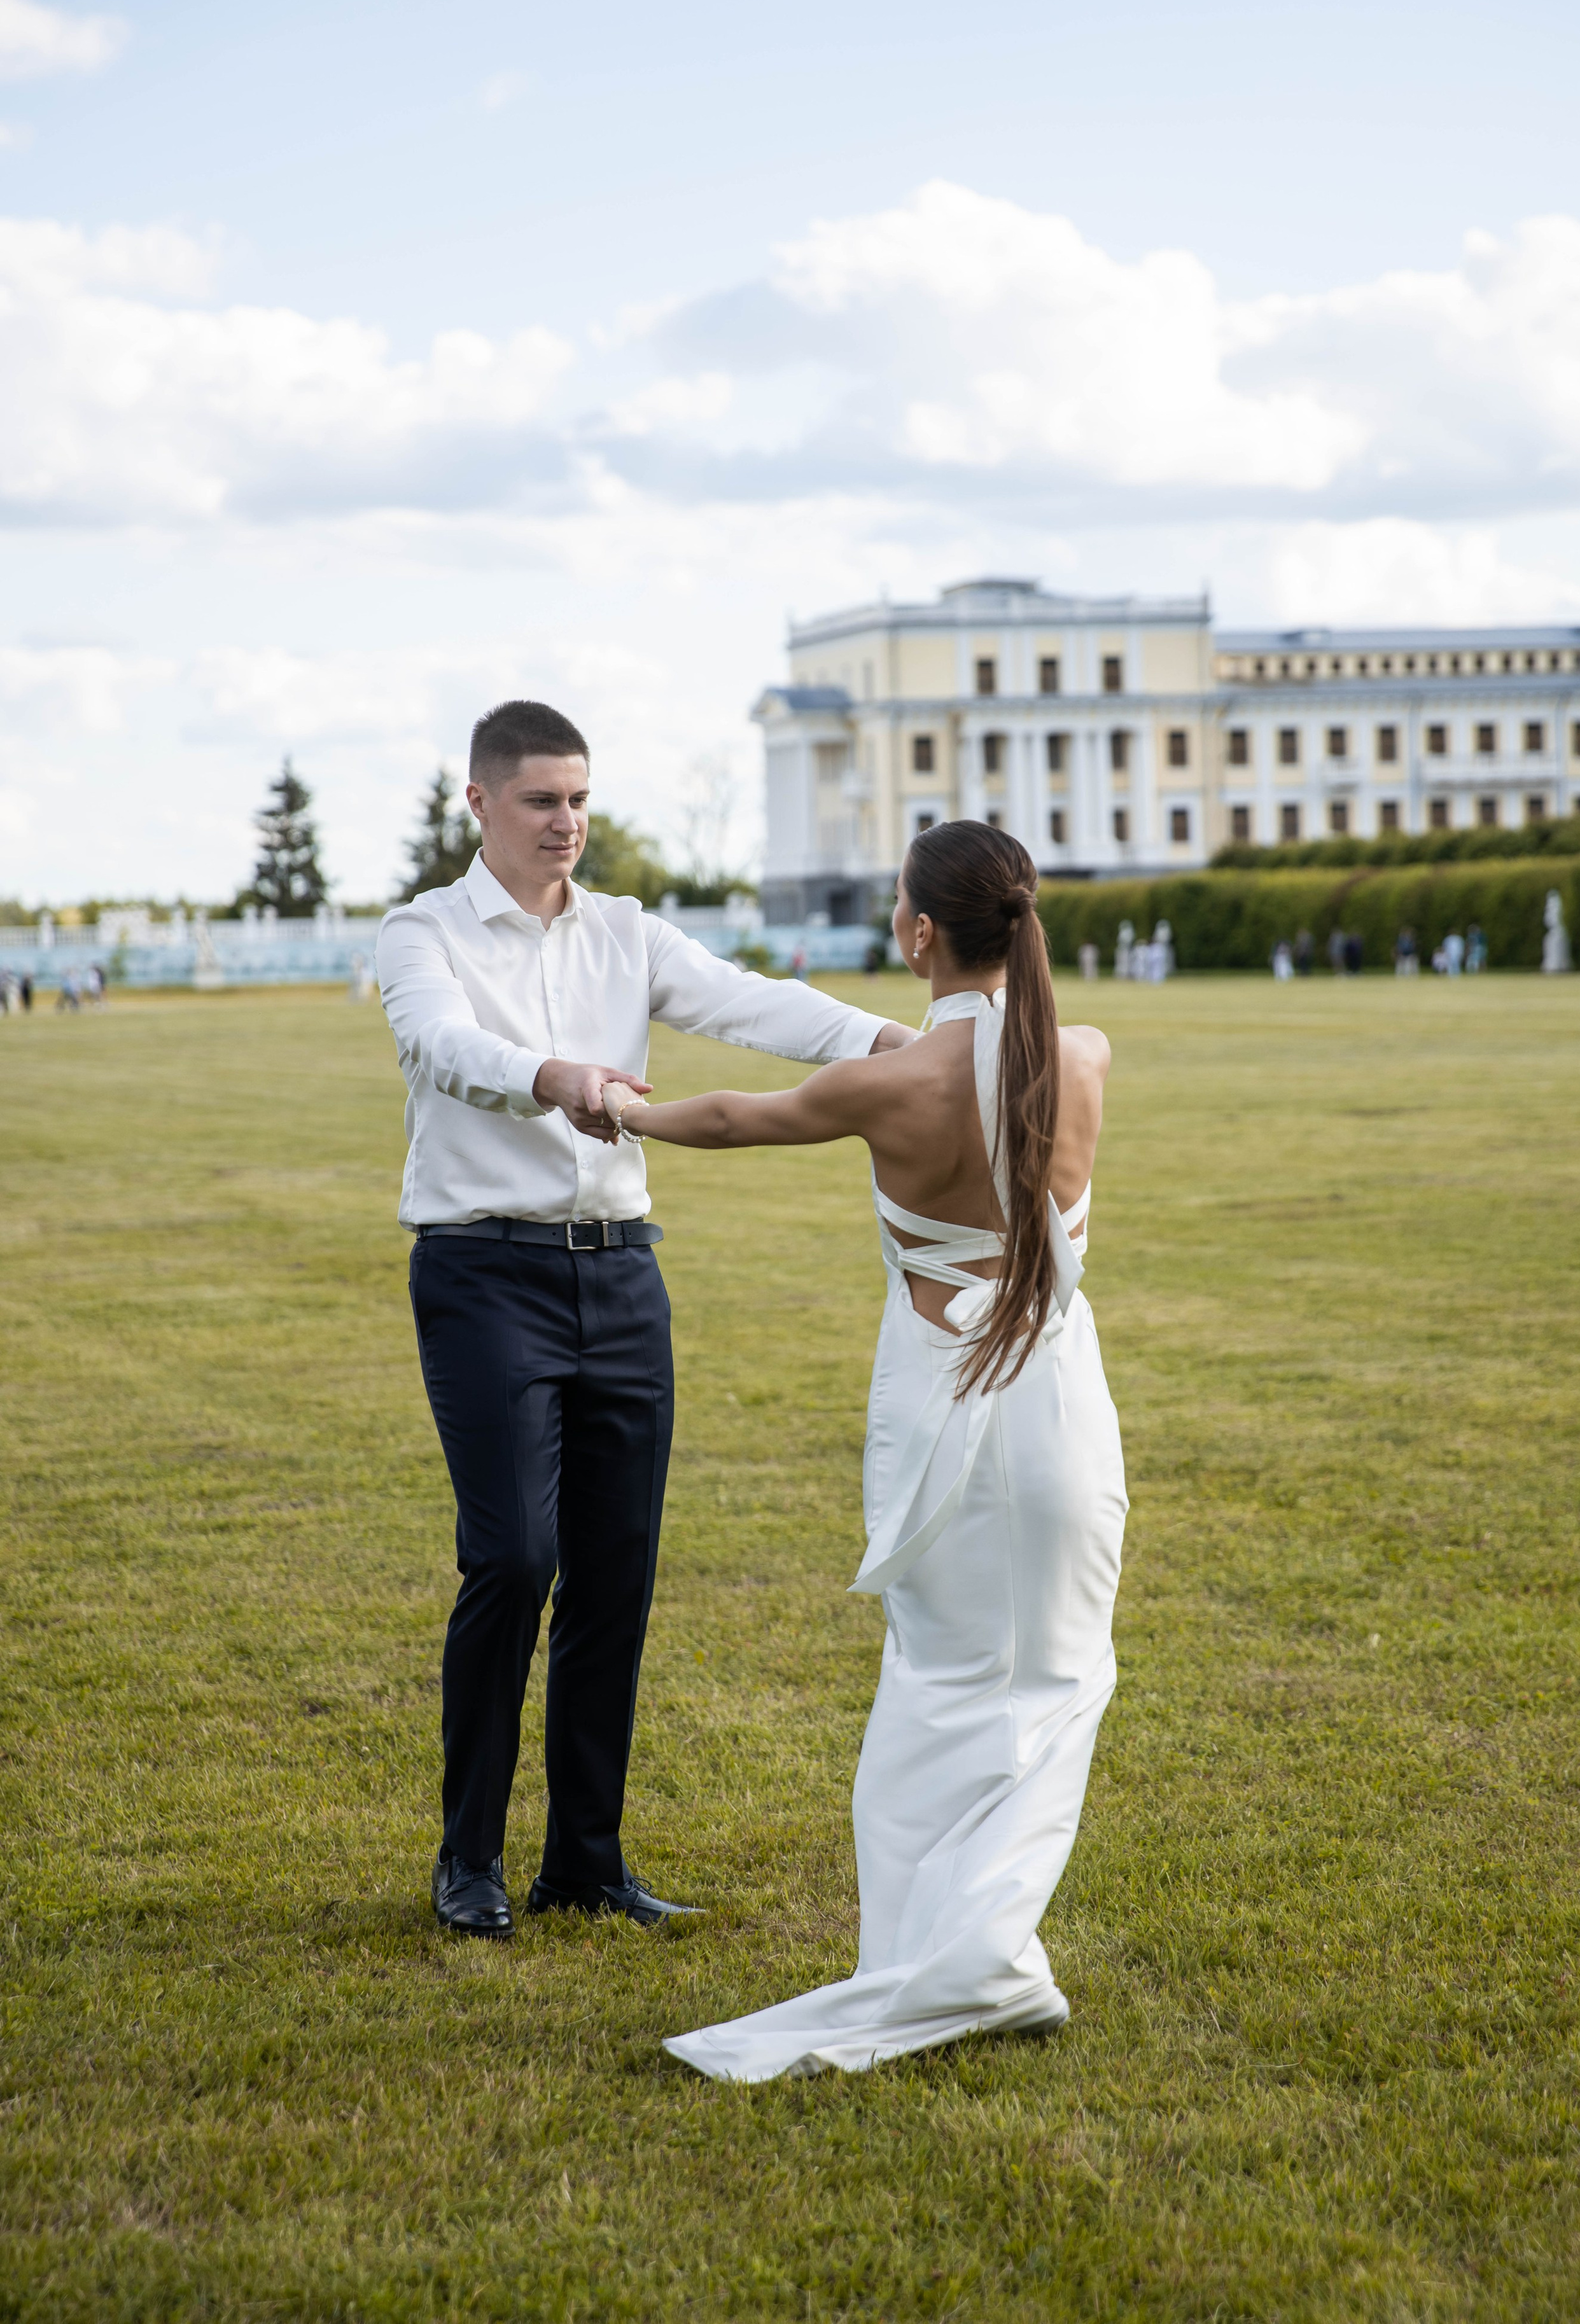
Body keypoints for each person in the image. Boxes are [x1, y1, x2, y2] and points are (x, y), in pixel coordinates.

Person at [375, 701, 912, 1943]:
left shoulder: (625, 932)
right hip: (479, 1274)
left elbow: (747, 1004)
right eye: (540, 801)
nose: (566, 823)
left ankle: (584, 1863)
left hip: (620, 1279)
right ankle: (468, 1860)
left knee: (615, 1574)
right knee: (512, 1557)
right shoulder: (425, 931)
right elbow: (436, 1044)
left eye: (578, 800)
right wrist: (550, 1077)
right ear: (480, 805)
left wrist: (900, 1041)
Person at [604, 820, 1126, 2078]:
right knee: (1051, 1689)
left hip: (940, 1409)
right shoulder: (1087, 1057)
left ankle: (962, 1962)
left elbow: (730, 1116)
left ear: (917, 933)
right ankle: (982, 1957)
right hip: (1058, 1412)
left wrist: (622, 1106)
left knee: (937, 1688)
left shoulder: (888, 1084)